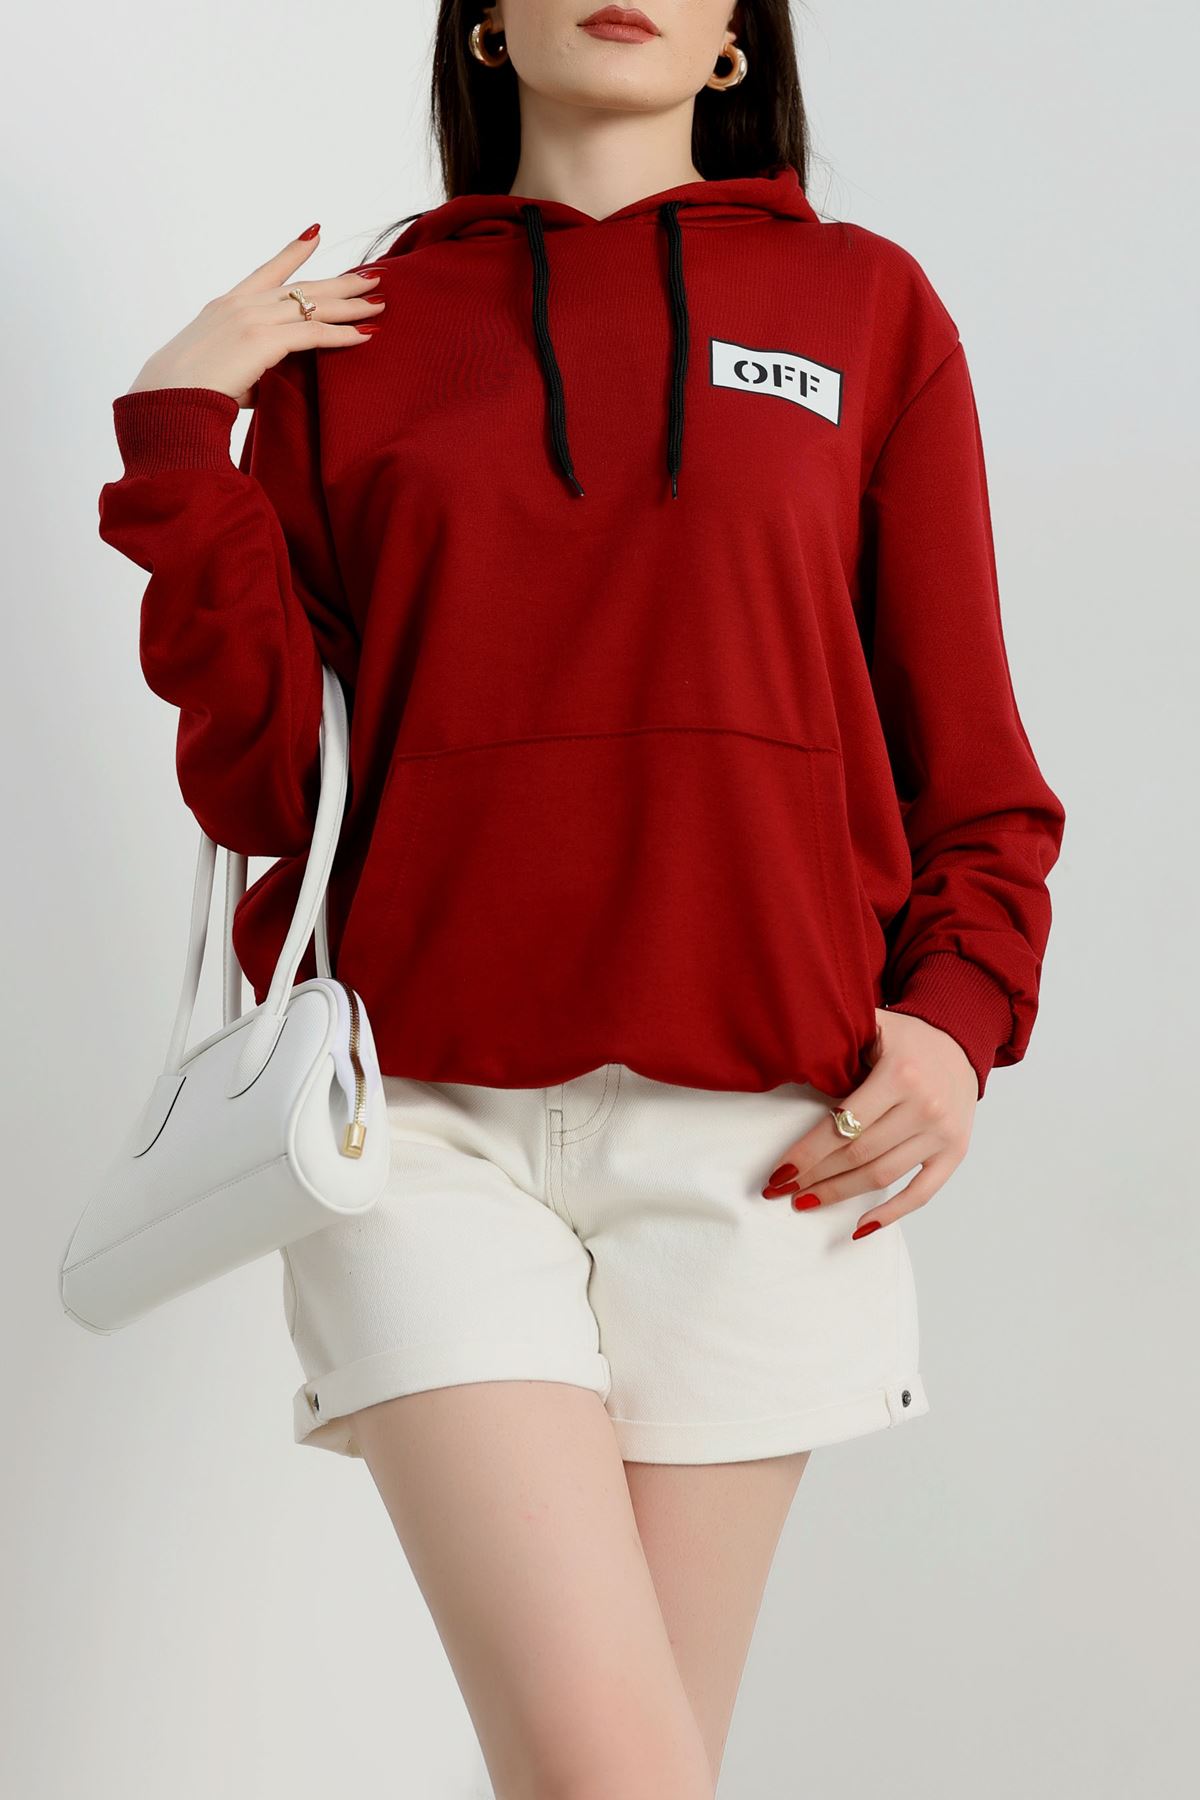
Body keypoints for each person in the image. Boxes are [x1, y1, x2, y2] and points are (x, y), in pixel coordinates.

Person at [95, 3, 1067, 1794]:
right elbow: (270, 794)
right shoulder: (356, 343)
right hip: (422, 1131)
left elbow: (973, 754)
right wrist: (179, 441)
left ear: (734, 41)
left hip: (769, 1146)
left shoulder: (866, 308)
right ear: (484, 23)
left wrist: (956, 1018)